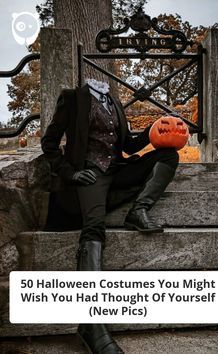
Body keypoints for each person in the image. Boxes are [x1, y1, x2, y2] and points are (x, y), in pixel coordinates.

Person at [41, 79, 179, 354]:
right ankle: (91, 322)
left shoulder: (114, 101)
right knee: (94, 228)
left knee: (168, 156)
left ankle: (138, 211)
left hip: (116, 169)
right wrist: (71, 173)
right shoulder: (72, 97)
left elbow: (128, 145)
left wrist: (153, 130)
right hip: (90, 173)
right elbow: (50, 142)